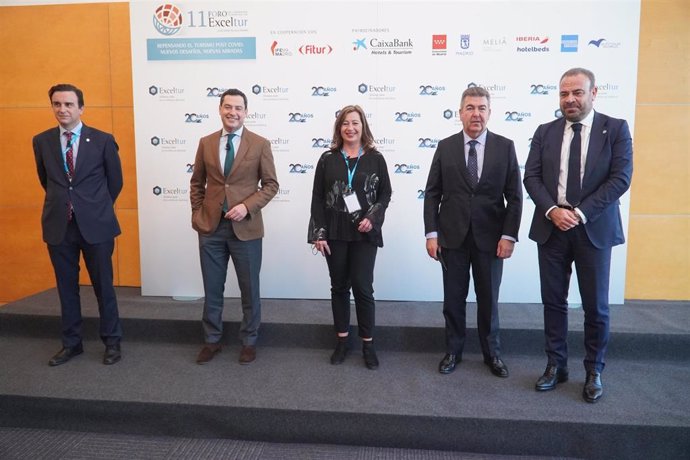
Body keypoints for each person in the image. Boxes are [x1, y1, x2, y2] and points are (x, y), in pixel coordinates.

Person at [523, 68, 633, 403]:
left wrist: (581, 212)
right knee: (553, 302)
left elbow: (621, 178)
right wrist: (553, 211)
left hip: (593, 229)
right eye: (564, 94)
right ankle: (556, 366)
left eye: (577, 93)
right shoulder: (545, 131)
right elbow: (531, 176)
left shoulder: (615, 129)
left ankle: (593, 370)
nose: (570, 100)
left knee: (595, 307)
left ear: (593, 93)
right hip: (551, 227)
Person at [423, 86, 522, 378]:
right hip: (451, 238)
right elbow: (432, 194)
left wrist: (508, 236)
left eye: (481, 108)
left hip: (491, 240)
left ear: (489, 113)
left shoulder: (505, 146)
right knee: (453, 299)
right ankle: (453, 351)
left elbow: (514, 197)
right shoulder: (445, 146)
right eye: (470, 108)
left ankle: (492, 354)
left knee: (488, 300)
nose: (476, 114)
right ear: (460, 113)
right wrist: (431, 233)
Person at [33, 83, 124, 366]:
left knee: (103, 286)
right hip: (60, 226)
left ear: (81, 108)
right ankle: (72, 344)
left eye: (69, 104)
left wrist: (93, 207)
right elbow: (45, 180)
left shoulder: (103, 140)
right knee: (66, 287)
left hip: (96, 225)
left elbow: (115, 182)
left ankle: (112, 342)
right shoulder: (42, 141)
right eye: (57, 104)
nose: (63, 109)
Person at [190, 88, 279, 365]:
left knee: (249, 289)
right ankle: (212, 340)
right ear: (220, 109)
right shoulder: (206, 142)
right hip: (212, 229)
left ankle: (249, 341)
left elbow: (271, 185)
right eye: (228, 107)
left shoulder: (260, 143)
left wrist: (247, 206)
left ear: (246, 112)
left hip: (247, 230)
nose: (233, 112)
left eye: (238, 108)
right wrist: (198, 213)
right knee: (212, 288)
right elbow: (197, 183)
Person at [308, 105, 392, 370]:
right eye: (345, 123)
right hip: (335, 234)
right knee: (339, 288)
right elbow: (318, 199)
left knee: (364, 289)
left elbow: (385, 195)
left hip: (364, 234)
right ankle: (342, 341)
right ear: (339, 128)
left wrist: (373, 218)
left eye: (355, 123)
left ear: (363, 126)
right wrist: (318, 233)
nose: (350, 128)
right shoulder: (327, 159)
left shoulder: (376, 158)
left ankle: (368, 344)